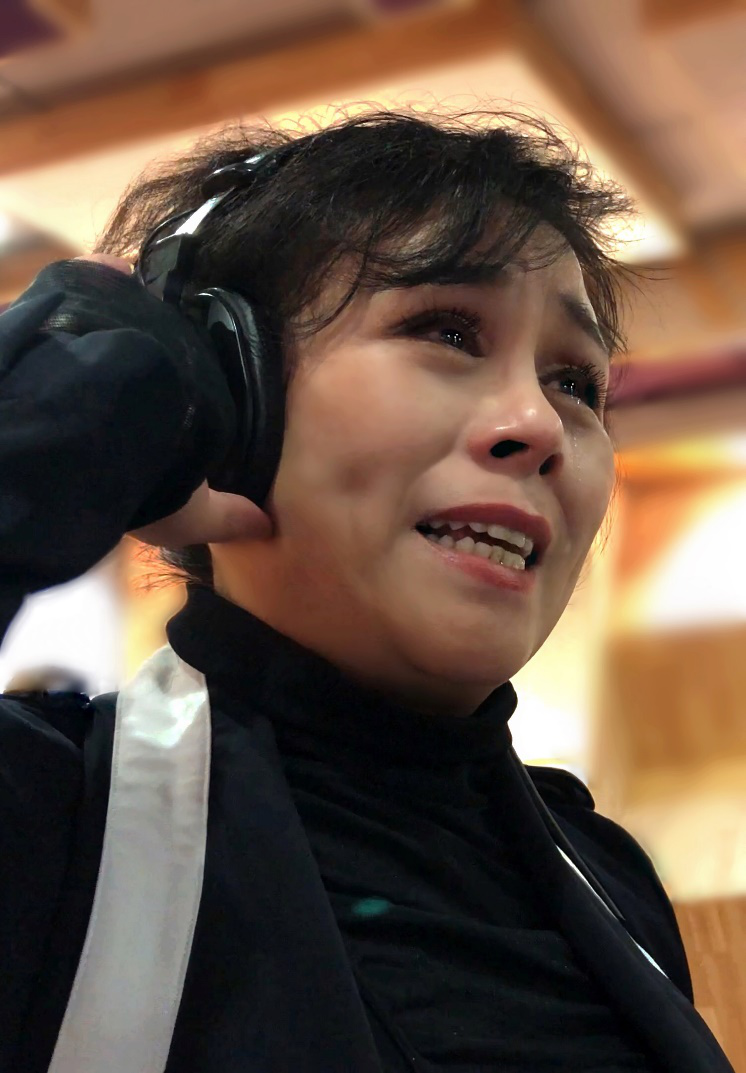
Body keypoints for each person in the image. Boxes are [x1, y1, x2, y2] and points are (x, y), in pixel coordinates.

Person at [0, 108, 735, 1073]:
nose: (539, 424)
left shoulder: (605, 871)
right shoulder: (50, 817)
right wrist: (33, 440)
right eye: (446, 330)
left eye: (575, 382)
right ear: (237, 394)